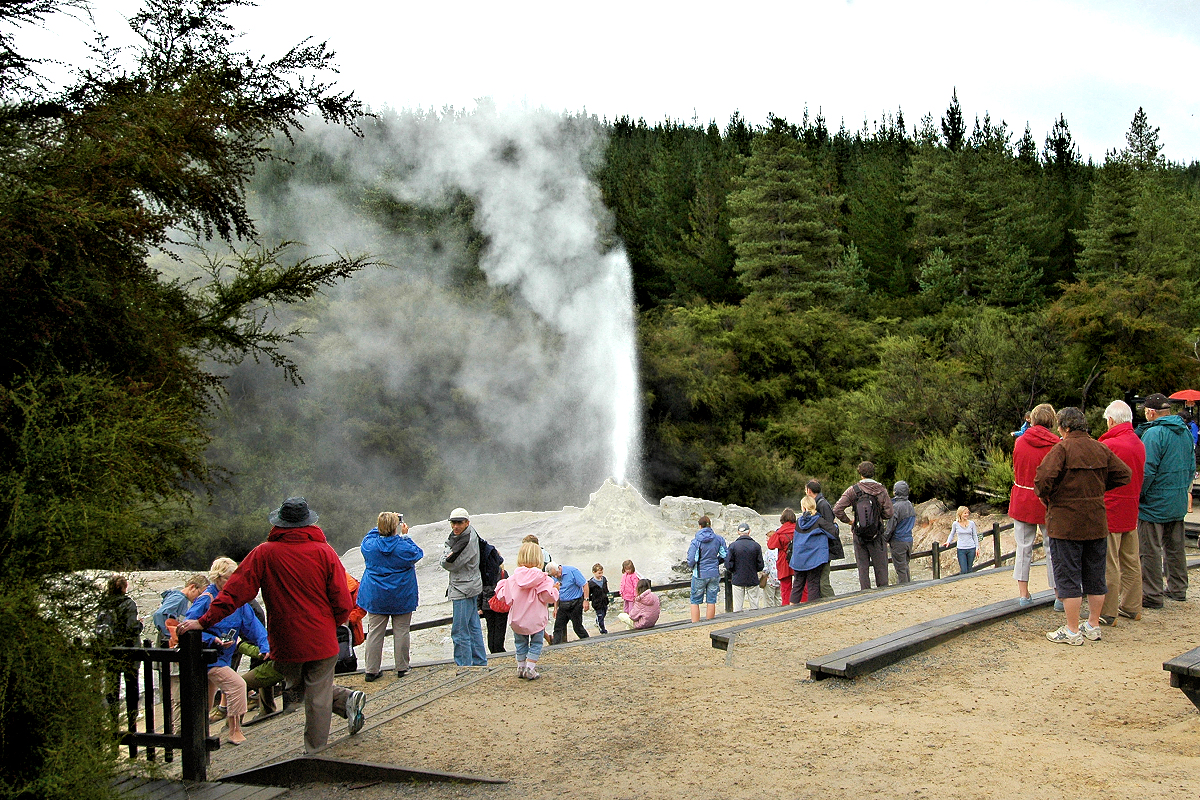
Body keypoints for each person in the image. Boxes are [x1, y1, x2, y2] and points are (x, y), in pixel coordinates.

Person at [177, 497, 367, 753]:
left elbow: (234, 592)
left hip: (286, 642)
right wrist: (328, 625)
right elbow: (342, 600)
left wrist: (203, 621)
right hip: (322, 640)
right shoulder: (325, 552)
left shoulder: (264, 553)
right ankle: (317, 748)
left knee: (303, 689)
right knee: (316, 695)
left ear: (280, 523)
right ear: (309, 523)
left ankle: (341, 708)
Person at [1036, 407, 1132, 645]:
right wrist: (1097, 488)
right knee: (1095, 576)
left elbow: (1042, 479)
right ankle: (1093, 624)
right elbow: (1124, 474)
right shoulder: (1100, 448)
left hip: (1065, 523)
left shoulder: (1062, 449)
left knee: (1068, 577)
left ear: (1065, 428)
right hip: (1096, 521)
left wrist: (1050, 496)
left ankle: (1071, 630)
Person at [185, 557, 270, 746]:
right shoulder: (206, 599)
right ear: (217, 578)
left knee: (206, 701)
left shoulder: (237, 600)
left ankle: (199, 736)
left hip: (224, 656)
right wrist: (211, 639)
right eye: (228, 578)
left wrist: (265, 645)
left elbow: (253, 625)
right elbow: (188, 628)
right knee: (237, 686)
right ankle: (234, 730)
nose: (233, 582)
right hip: (207, 657)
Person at [1136, 393, 1196, 608]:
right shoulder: (1185, 432)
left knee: (1150, 550)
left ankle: (1152, 594)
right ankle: (1178, 588)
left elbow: (1147, 470)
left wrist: (1140, 494)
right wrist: (1182, 489)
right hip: (1177, 498)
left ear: (1151, 412)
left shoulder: (1154, 434)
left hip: (1154, 502)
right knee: (1175, 547)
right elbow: (1191, 466)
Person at [1097, 400, 1147, 626]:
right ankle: (1132, 606)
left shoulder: (1109, 445)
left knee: (1109, 562)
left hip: (1110, 508)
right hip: (1131, 506)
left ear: (1110, 420)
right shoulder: (1138, 442)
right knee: (1131, 560)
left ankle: (1108, 611)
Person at [358, 511, 423, 681]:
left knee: (375, 632)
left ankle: (371, 670)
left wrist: (382, 525)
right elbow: (417, 553)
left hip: (376, 595)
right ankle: (402, 668)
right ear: (396, 527)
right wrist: (405, 536)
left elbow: (367, 537)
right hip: (401, 594)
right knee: (401, 631)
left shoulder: (369, 546)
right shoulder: (403, 547)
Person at [1008, 403, 1060, 606]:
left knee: (1023, 547)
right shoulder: (1057, 445)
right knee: (1052, 548)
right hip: (1048, 501)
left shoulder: (1020, 442)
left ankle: (1023, 594)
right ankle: (1058, 595)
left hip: (1022, 497)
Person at [493, 542, 558, 679]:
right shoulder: (543, 579)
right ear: (539, 559)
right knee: (536, 643)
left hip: (518, 619)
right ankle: (530, 668)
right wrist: (555, 590)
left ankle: (521, 667)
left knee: (520, 643)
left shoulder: (513, 579)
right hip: (536, 619)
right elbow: (548, 597)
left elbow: (504, 596)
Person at [832, 462, 894, 590]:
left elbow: (837, 509)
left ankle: (865, 593)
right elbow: (889, 513)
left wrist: (850, 521)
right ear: (873, 473)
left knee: (863, 568)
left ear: (860, 474)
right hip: (877, 533)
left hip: (859, 533)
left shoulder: (853, 490)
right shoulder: (881, 490)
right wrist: (877, 517)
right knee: (881, 568)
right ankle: (883, 593)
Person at [440, 507, 488, 666]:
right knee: (473, 627)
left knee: (460, 631)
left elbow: (448, 564)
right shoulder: (469, 533)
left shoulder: (465, 542)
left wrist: (444, 555)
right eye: (453, 523)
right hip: (471, 585)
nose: (455, 526)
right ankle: (479, 662)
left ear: (467, 522)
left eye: (459, 523)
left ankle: (464, 666)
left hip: (462, 589)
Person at [97, 574, 144, 728]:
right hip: (128, 651)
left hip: (110, 651)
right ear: (124, 587)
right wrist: (140, 625)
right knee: (132, 688)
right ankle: (131, 722)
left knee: (112, 688)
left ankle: (113, 721)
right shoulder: (128, 604)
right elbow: (131, 628)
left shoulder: (103, 604)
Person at [790, 496, 837, 602]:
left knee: (797, 585)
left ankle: (792, 607)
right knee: (813, 584)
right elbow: (834, 533)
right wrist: (835, 524)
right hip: (814, 559)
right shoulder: (819, 521)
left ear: (803, 507)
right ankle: (813, 608)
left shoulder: (799, 522)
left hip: (799, 559)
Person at [687, 515, 728, 622]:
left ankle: (695, 624)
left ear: (700, 526)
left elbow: (692, 559)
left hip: (699, 573)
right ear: (710, 525)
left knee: (695, 600)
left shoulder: (696, 541)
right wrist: (716, 562)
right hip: (714, 573)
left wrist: (692, 566)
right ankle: (710, 623)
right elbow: (725, 555)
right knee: (711, 599)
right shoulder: (719, 539)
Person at [807, 480, 843, 598]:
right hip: (820, 549)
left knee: (823, 582)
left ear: (809, 491)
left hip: (825, 548)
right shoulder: (819, 503)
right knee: (818, 581)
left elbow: (830, 528)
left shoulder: (822, 505)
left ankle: (833, 602)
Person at [152, 574, 207, 647]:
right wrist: (172, 637)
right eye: (199, 594)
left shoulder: (180, 598)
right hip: (169, 645)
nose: (199, 598)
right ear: (192, 587)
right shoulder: (179, 598)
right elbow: (159, 615)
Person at [548, 562, 590, 644]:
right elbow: (556, 593)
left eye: (556, 574)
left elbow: (585, 584)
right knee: (558, 628)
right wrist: (555, 608)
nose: (556, 577)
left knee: (577, 627)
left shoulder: (572, 571)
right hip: (563, 605)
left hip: (575, 603)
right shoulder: (554, 578)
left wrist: (586, 600)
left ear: (559, 569)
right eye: (553, 576)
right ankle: (555, 647)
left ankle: (588, 642)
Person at [727, 522, 765, 612]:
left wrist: (734, 571)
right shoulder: (756, 546)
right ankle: (755, 619)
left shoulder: (733, 546)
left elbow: (728, 564)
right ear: (749, 532)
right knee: (754, 605)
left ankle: (738, 620)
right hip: (752, 577)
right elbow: (760, 565)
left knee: (738, 606)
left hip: (738, 577)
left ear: (738, 532)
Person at [885, 481, 916, 583]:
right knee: (905, 566)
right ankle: (909, 585)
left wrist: (885, 538)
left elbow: (891, 527)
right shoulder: (909, 505)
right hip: (909, 540)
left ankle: (904, 588)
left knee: (900, 569)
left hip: (898, 541)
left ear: (895, 492)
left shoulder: (896, 507)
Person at [767, 509, 797, 606]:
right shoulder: (799, 529)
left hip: (784, 560)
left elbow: (770, 545)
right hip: (798, 558)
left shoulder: (780, 532)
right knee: (802, 584)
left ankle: (786, 606)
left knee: (785, 587)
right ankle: (804, 604)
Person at [481, 564, 510, 653]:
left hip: (487, 605)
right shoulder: (503, 573)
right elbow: (508, 589)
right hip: (500, 604)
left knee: (491, 629)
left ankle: (492, 649)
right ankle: (499, 649)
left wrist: (478, 606)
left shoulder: (483, 572)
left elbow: (479, 590)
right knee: (500, 628)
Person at [945, 507, 978, 575]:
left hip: (971, 548)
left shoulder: (972, 523)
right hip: (961, 549)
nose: (966, 515)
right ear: (960, 514)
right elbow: (952, 534)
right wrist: (948, 541)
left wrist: (977, 548)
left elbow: (975, 535)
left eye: (967, 513)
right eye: (965, 513)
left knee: (969, 569)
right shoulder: (955, 524)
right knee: (963, 570)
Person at [585, 564, 610, 634]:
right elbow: (588, 593)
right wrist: (588, 600)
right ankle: (602, 630)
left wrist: (608, 596)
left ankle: (597, 622)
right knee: (600, 615)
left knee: (604, 613)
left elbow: (606, 590)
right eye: (599, 573)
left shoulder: (604, 579)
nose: (600, 575)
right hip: (597, 603)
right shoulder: (591, 583)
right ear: (594, 572)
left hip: (604, 601)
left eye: (601, 573)